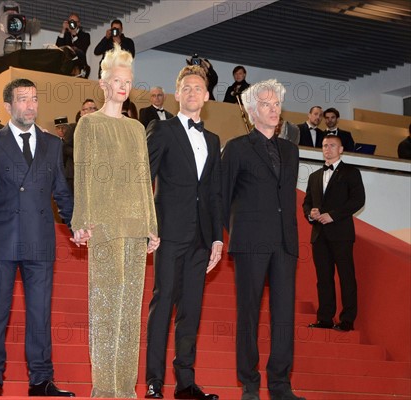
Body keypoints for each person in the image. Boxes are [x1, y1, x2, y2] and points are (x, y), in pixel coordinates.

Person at [71, 43, 159, 398]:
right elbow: (83, 174)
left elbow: (144, 176)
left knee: (130, 313)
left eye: (128, 81)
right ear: (103, 84)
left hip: (136, 226)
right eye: (117, 80)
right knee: (106, 310)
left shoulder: (137, 129)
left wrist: (152, 225)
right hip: (105, 227)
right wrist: (82, 220)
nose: (123, 86)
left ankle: (126, 389)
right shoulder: (88, 125)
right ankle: (104, 390)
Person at [0, 78, 75, 397]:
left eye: (34, 99)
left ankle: (41, 379)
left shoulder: (53, 144)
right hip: (1, 240)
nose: (31, 105)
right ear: (8, 106)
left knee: (39, 314)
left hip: (39, 240)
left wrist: (77, 224)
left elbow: (61, 191)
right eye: (23, 99)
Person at [221, 79, 305, 400]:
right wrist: (231, 236)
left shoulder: (291, 150)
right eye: (267, 105)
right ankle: (250, 384)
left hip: (285, 243)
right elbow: (222, 197)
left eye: (277, 104)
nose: (274, 110)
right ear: (253, 111)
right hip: (250, 243)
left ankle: (281, 385)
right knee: (249, 314)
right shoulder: (237, 147)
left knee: (284, 317)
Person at [144, 65, 222, 400]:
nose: (192, 93)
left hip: (202, 238)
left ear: (206, 96)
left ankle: (185, 383)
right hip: (169, 232)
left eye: (198, 88)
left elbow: (216, 192)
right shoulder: (161, 130)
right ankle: (154, 381)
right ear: (178, 94)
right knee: (163, 305)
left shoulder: (214, 140)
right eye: (186, 88)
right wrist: (147, 225)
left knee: (191, 310)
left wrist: (218, 237)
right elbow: (144, 179)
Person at [303, 135, 365, 332]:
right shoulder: (314, 177)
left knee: (346, 277)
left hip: (341, 233)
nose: (327, 149)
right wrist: (310, 213)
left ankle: (347, 320)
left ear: (341, 149)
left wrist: (333, 216)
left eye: (332, 146)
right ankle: (325, 318)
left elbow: (358, 200)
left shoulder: (351, 172)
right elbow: (307, 202)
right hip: (319, 235)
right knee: (323, 278)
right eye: (324, 146)